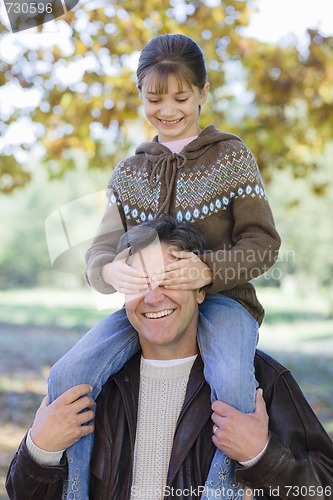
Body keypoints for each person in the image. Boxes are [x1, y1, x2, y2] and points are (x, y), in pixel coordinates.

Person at [48, 34, 281, 499]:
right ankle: (75, 491)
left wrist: (207, 271)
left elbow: (263, 242)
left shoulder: (231, 157)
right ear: (140, 95)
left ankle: (222, 492)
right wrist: (113, 273)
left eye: (181, 97)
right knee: (65, 374)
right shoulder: (128, 173)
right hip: (148, 307)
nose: (168, 110)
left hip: (224, 303)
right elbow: (99, 254)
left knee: (233, 379)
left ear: (203, 93)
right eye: (155, 99)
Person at [6, 218, 333, 500]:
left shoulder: (261, 381)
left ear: (202, 288)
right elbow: (23, 494)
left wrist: (262, 457)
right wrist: (40, 449)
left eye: (169, 279)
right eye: (139, 282)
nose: (153, 296)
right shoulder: (92, 385)